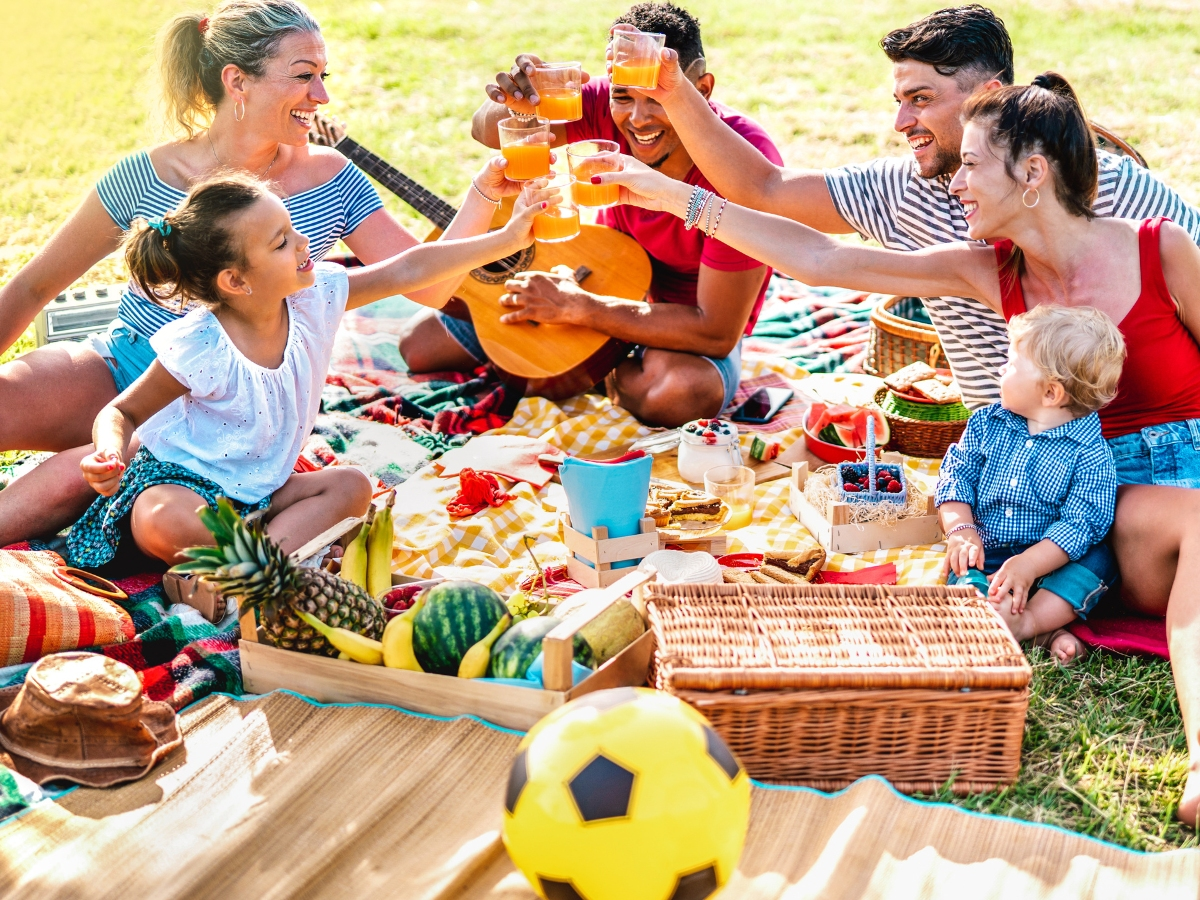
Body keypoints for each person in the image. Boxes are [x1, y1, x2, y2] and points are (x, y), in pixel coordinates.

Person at [598, 73, 1200, 825]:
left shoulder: (1161, 249)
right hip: (1122, 501)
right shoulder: (987, 272)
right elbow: (823, 262)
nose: (958, 186)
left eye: (973, 164)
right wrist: (680, 201)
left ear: (1034, 173)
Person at [0, 0, 514, 546]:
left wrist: (486, 197)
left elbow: (427, 282)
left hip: (232, 418)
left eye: (323, 76)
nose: (322, 97)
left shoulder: (331, 178)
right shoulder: (147, 176)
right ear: (237, 81)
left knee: (101, 473)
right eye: (303, 77)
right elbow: (35, 286)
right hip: (128, 370)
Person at [620, 4, 1200, 410]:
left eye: (921, 100)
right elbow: (779, 208)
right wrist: (672, 104)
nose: (901, 124)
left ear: (990, 97)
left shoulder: (1130, 201)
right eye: (899, 101)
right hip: (1013, 460)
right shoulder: (917, 202)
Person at [67, 171, 552, 566]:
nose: (303, 244)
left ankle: (241, 575)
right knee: (160, 519)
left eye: (293, 228)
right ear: (235, 280)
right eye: (281, 243)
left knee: (352, 486)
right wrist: (108, 453)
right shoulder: (201, 347)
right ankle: (270, 565)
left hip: (262, 496)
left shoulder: (314, 299)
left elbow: (407, 269)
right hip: (185, 489)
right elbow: (122, 414)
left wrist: (504, 239)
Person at [397, 2, 783, 427]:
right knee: (419, 345)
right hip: (597, 271)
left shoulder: (743, 165)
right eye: (624, 96)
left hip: (679, 325)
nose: (637, 119)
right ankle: (573, 364)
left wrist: (578, 309)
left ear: (703, 90)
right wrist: (521, 105)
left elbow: (716, 330)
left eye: (658, 98)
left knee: (681, 393)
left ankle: (579, 370)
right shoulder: (601, 104)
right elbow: (486, 131)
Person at [937, 305, 1124, 655]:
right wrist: (961, 531)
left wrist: (1030, 564)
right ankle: (1031, 630)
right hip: (988, 552)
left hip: (1053, 562)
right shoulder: (986, 424)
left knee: (1100, 560)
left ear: (1050, 393)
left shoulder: (1090, 453)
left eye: (1011, 364)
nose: (1000, 368)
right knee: (965, 572)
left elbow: (1081, 524)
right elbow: (955, 476)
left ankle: (1033, 623)